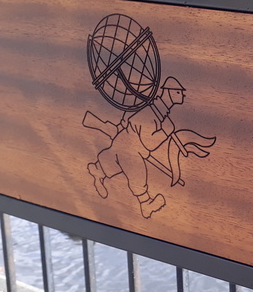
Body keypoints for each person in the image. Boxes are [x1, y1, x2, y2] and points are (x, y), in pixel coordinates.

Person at [84, 77, 215, 218]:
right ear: (169, 93)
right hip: (130, 147)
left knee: (113, 159)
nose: (183, 94)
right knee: (136, 171)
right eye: (179, 92)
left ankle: (97, 170)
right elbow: (148, 142)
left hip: (127, 145)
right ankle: (146, 202)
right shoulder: (151, 113)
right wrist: (165, 131)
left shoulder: (159, 113)